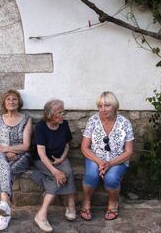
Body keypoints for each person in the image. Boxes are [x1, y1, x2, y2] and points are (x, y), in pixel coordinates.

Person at [80, 91, 134, 221]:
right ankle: (86, 202)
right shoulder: (93, 120)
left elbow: (129, 151)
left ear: (114, 106)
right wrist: (100, 162)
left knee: (111, 178)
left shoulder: (125, 123)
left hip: (118, 159)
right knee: (91, 175)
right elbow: (84, 147)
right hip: (95, 157)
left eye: (107, 105)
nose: (103, 109)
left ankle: (113, 203)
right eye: (100, 106)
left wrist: (110, 164)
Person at [0, 89, 32, 231]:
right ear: (4, 103)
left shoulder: (26, 119)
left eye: (14, 99)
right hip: (2, 155)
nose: (11, 102)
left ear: (19, 102)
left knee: (4, 172)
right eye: (8, 99)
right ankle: (5, 206)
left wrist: (7, 149)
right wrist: (4, 151)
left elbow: (26, 146)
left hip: (21, 156)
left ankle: (4, 207)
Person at [32, 99, 76, 233]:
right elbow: (41, 153)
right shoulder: (40, 127)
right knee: (56, 176)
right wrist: (55, 171)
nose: (63, 114)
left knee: (68, 170)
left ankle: (69, 206)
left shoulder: (64, 124)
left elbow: (67, 144)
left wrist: (62, 158)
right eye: (59, 112)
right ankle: (43, 214)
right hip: (42, 160)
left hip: (59, 157)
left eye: (63, 111)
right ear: (49, 114)